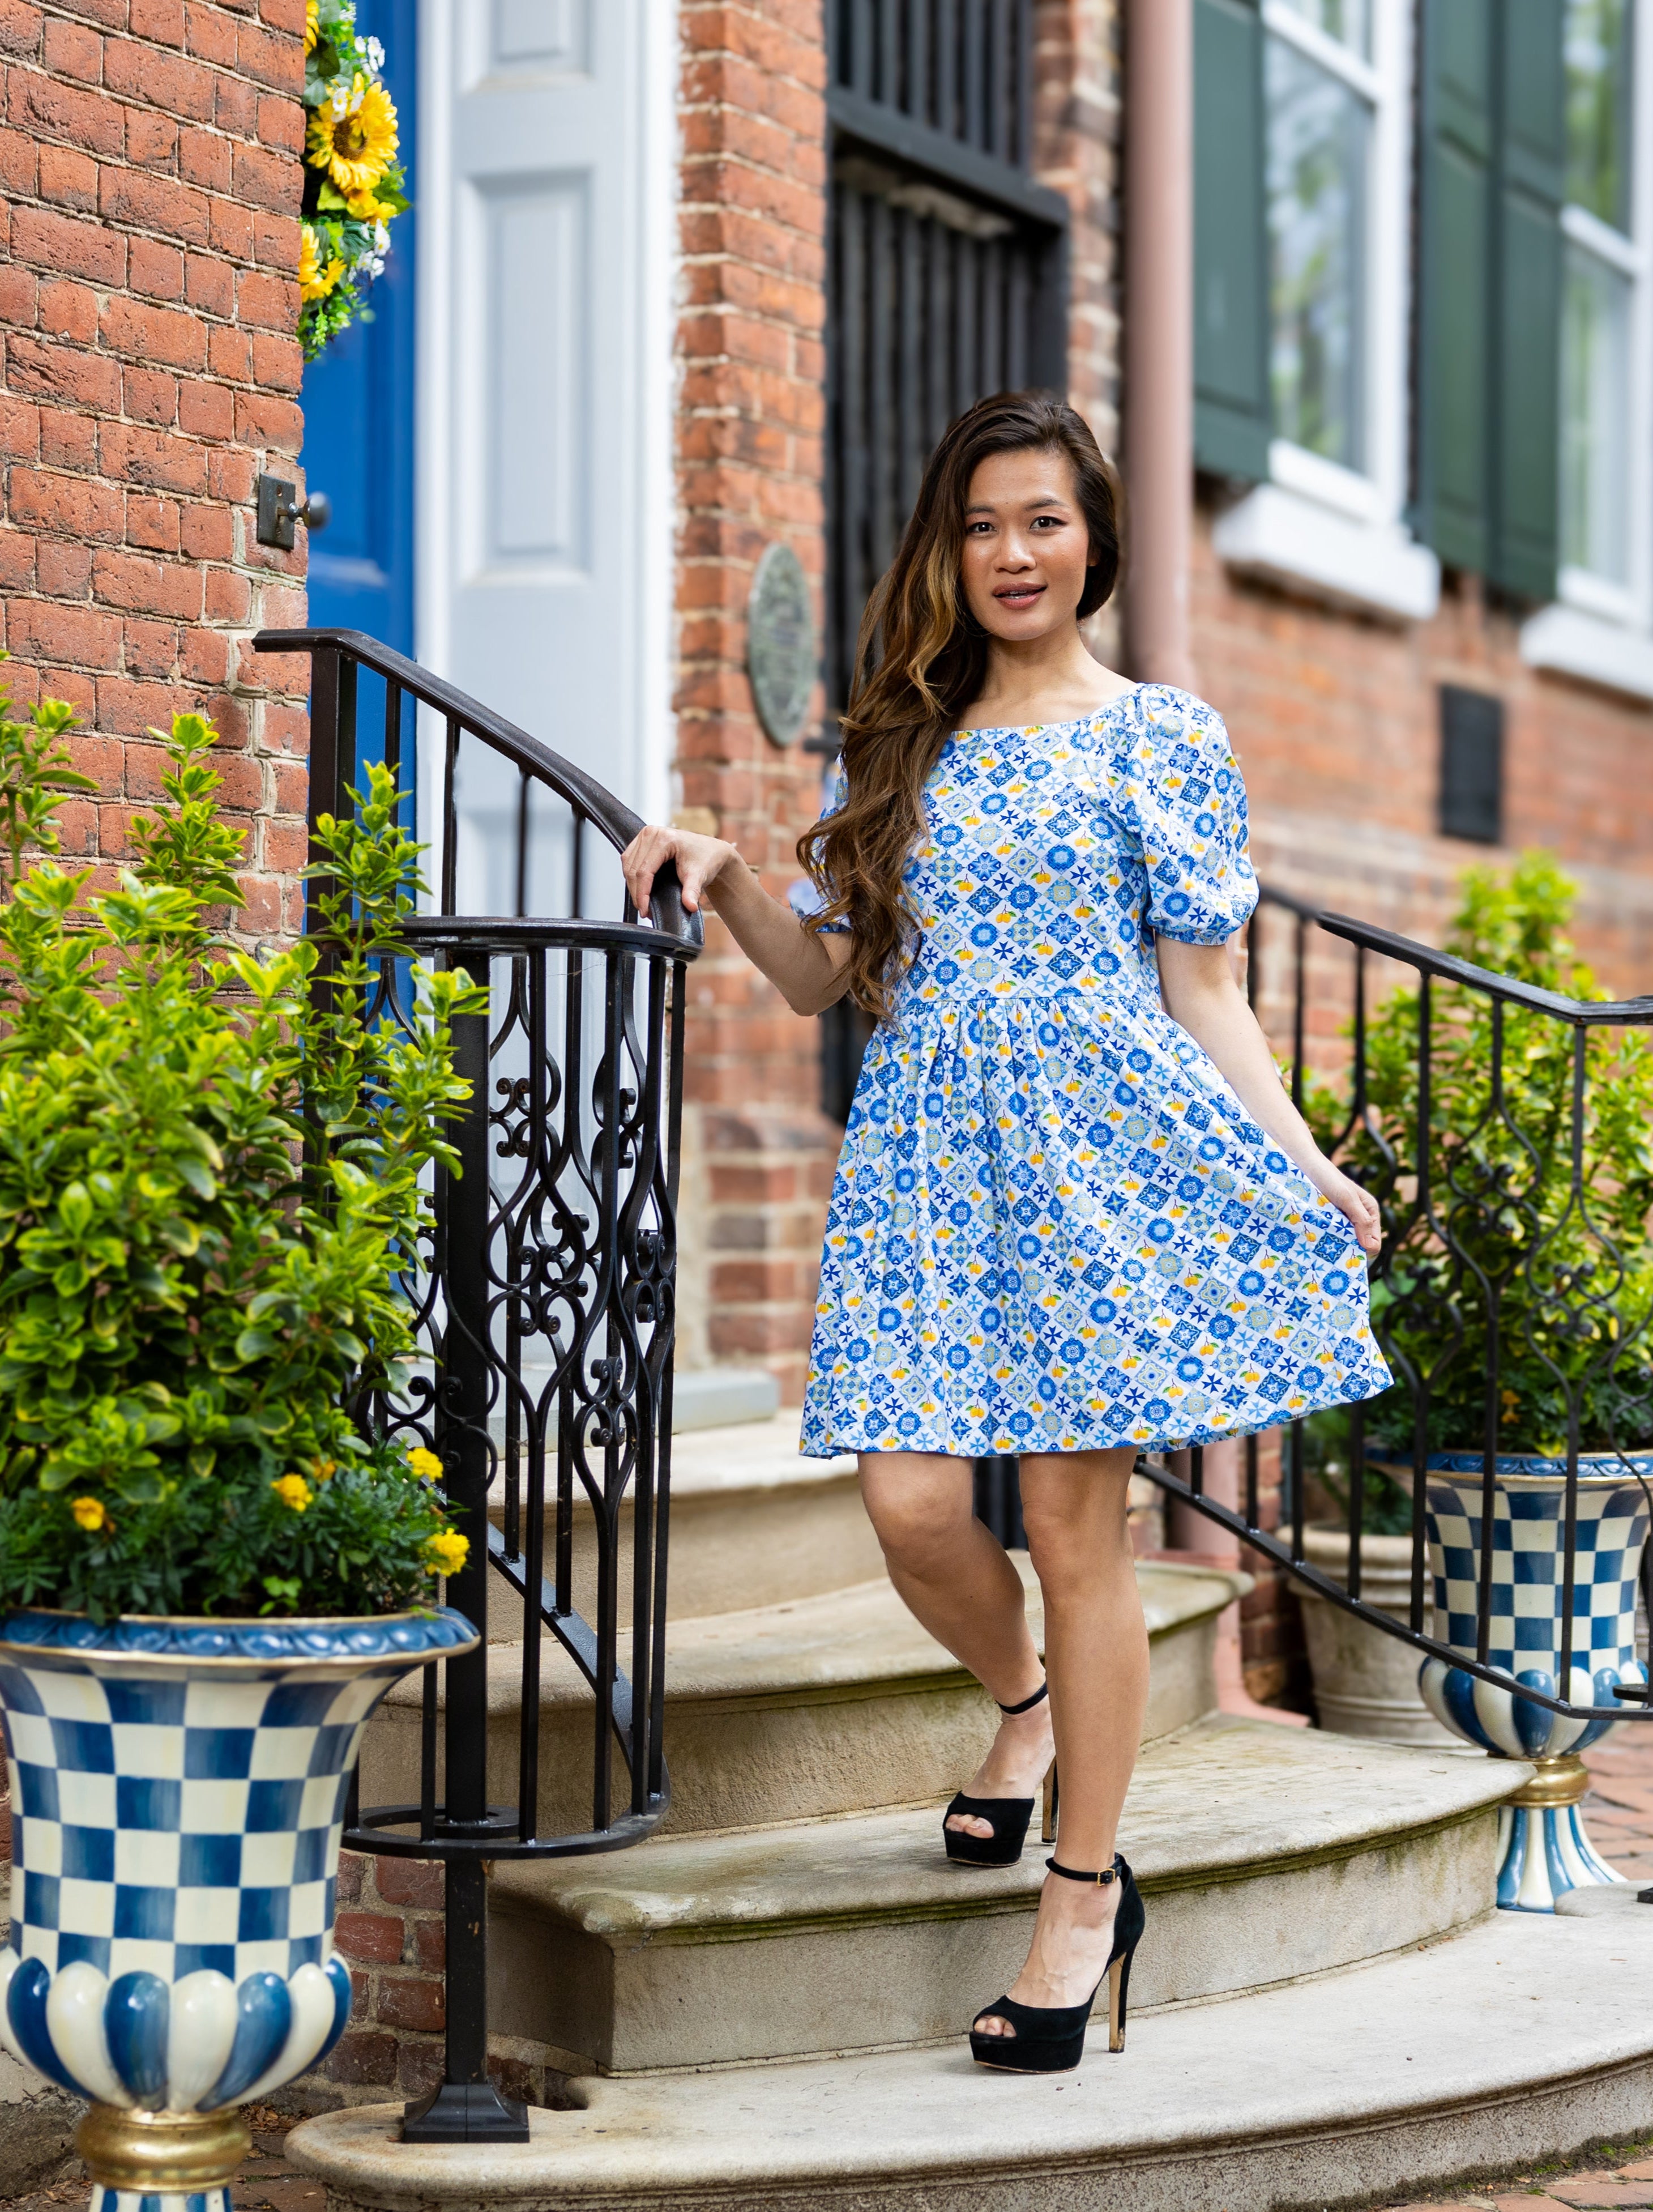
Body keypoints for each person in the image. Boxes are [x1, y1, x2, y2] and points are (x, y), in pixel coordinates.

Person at [621, 390, 1390, 2074]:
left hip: (1098, 1160)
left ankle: (1082, 1893)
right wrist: (726, 867)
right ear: (947, 552)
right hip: (924, 1165)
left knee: (1073, 1523)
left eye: (1040, 521)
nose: (1010, 554)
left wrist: (1299, 1156)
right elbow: (827, 976)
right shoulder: (898, 737)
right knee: (906, 1504)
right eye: (980, 527)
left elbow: (1207, 989)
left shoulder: (1158, 735)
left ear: (1093, 539)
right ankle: (1024, 1708)